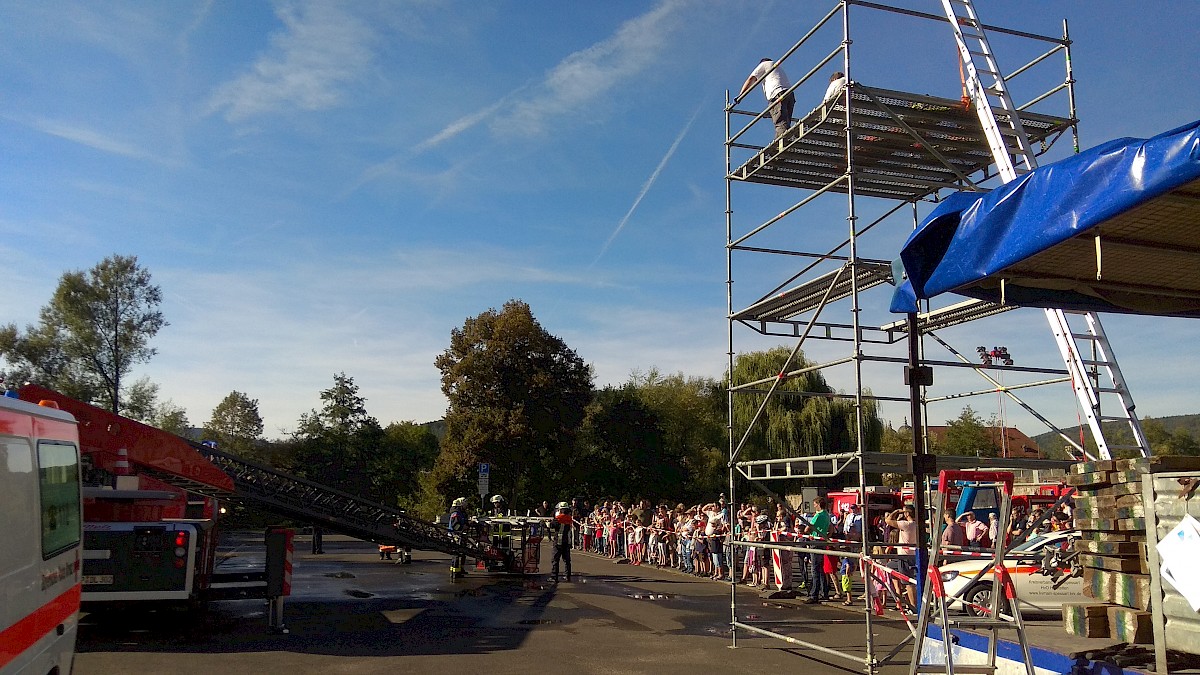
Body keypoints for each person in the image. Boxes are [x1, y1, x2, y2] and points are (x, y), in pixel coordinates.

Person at [739, 58, 795, 138]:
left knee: (780, 122)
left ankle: (781, 145)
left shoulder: (764, 64)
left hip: (777, 94)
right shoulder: (777, 67)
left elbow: (751, 79)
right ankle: (785, 140)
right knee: (785, 121)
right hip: (789, 94)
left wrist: (741, 95)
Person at [804, 496, 831, 603]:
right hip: (822, 541)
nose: (814, 506)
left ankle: (814, 594)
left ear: (818, 504)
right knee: (820, 569)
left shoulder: (818, 515)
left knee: (814, 569)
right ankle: (824, 592)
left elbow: (808, 528)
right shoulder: (827, 515)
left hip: (815, 541)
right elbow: (830, 528)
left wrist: (806, 532)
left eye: (815, 504)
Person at [549, 501, 573, 582]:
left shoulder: (558, 518)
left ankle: (554, 577)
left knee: (555, 560)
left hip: (558, 541)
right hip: (567, 541)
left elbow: (551, 525)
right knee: (567, 560)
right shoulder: (569, 518)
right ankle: (567, 576)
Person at [448, 497, 469, 578]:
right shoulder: (456, 513)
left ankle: (459, 570)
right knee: (456, 553)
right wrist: (462, 528)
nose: (466, 506)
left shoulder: (460, 513)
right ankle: (455, 573)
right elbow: (455, 525)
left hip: (459, 535)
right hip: (456, 536)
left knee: (461, 553)